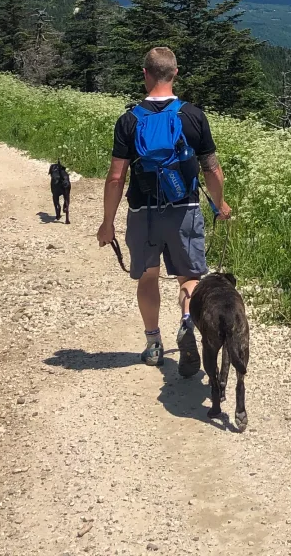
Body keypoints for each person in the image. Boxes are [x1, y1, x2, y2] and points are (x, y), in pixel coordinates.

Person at [97, 47, 231, 375]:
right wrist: (219, 204)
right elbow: (212, 170)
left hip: (143, 212)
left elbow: (116, 178)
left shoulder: (129, 120)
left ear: (145, 74)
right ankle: (187, 320)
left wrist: (107, 223)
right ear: (175, 73)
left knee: (147, 276)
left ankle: (153, 343)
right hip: (184, 209)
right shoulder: (193, 115)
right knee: (189, 278)